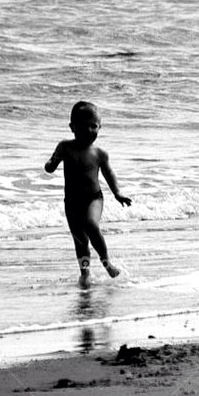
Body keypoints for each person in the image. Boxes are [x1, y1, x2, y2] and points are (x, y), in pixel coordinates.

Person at [45, 101, 132, 288]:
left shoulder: (100, 153)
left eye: (94, 126)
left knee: (91, 224)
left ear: (100, 127)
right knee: (80, 240)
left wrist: (117, 193)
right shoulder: (65, 147)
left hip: (94, 198)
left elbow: (109, 174)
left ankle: (106, 261)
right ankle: (85, 273)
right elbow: (51, 164)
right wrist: (51, 164)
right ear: (72, 127)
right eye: (83, 126)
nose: (89, 130)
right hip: (72, 202)